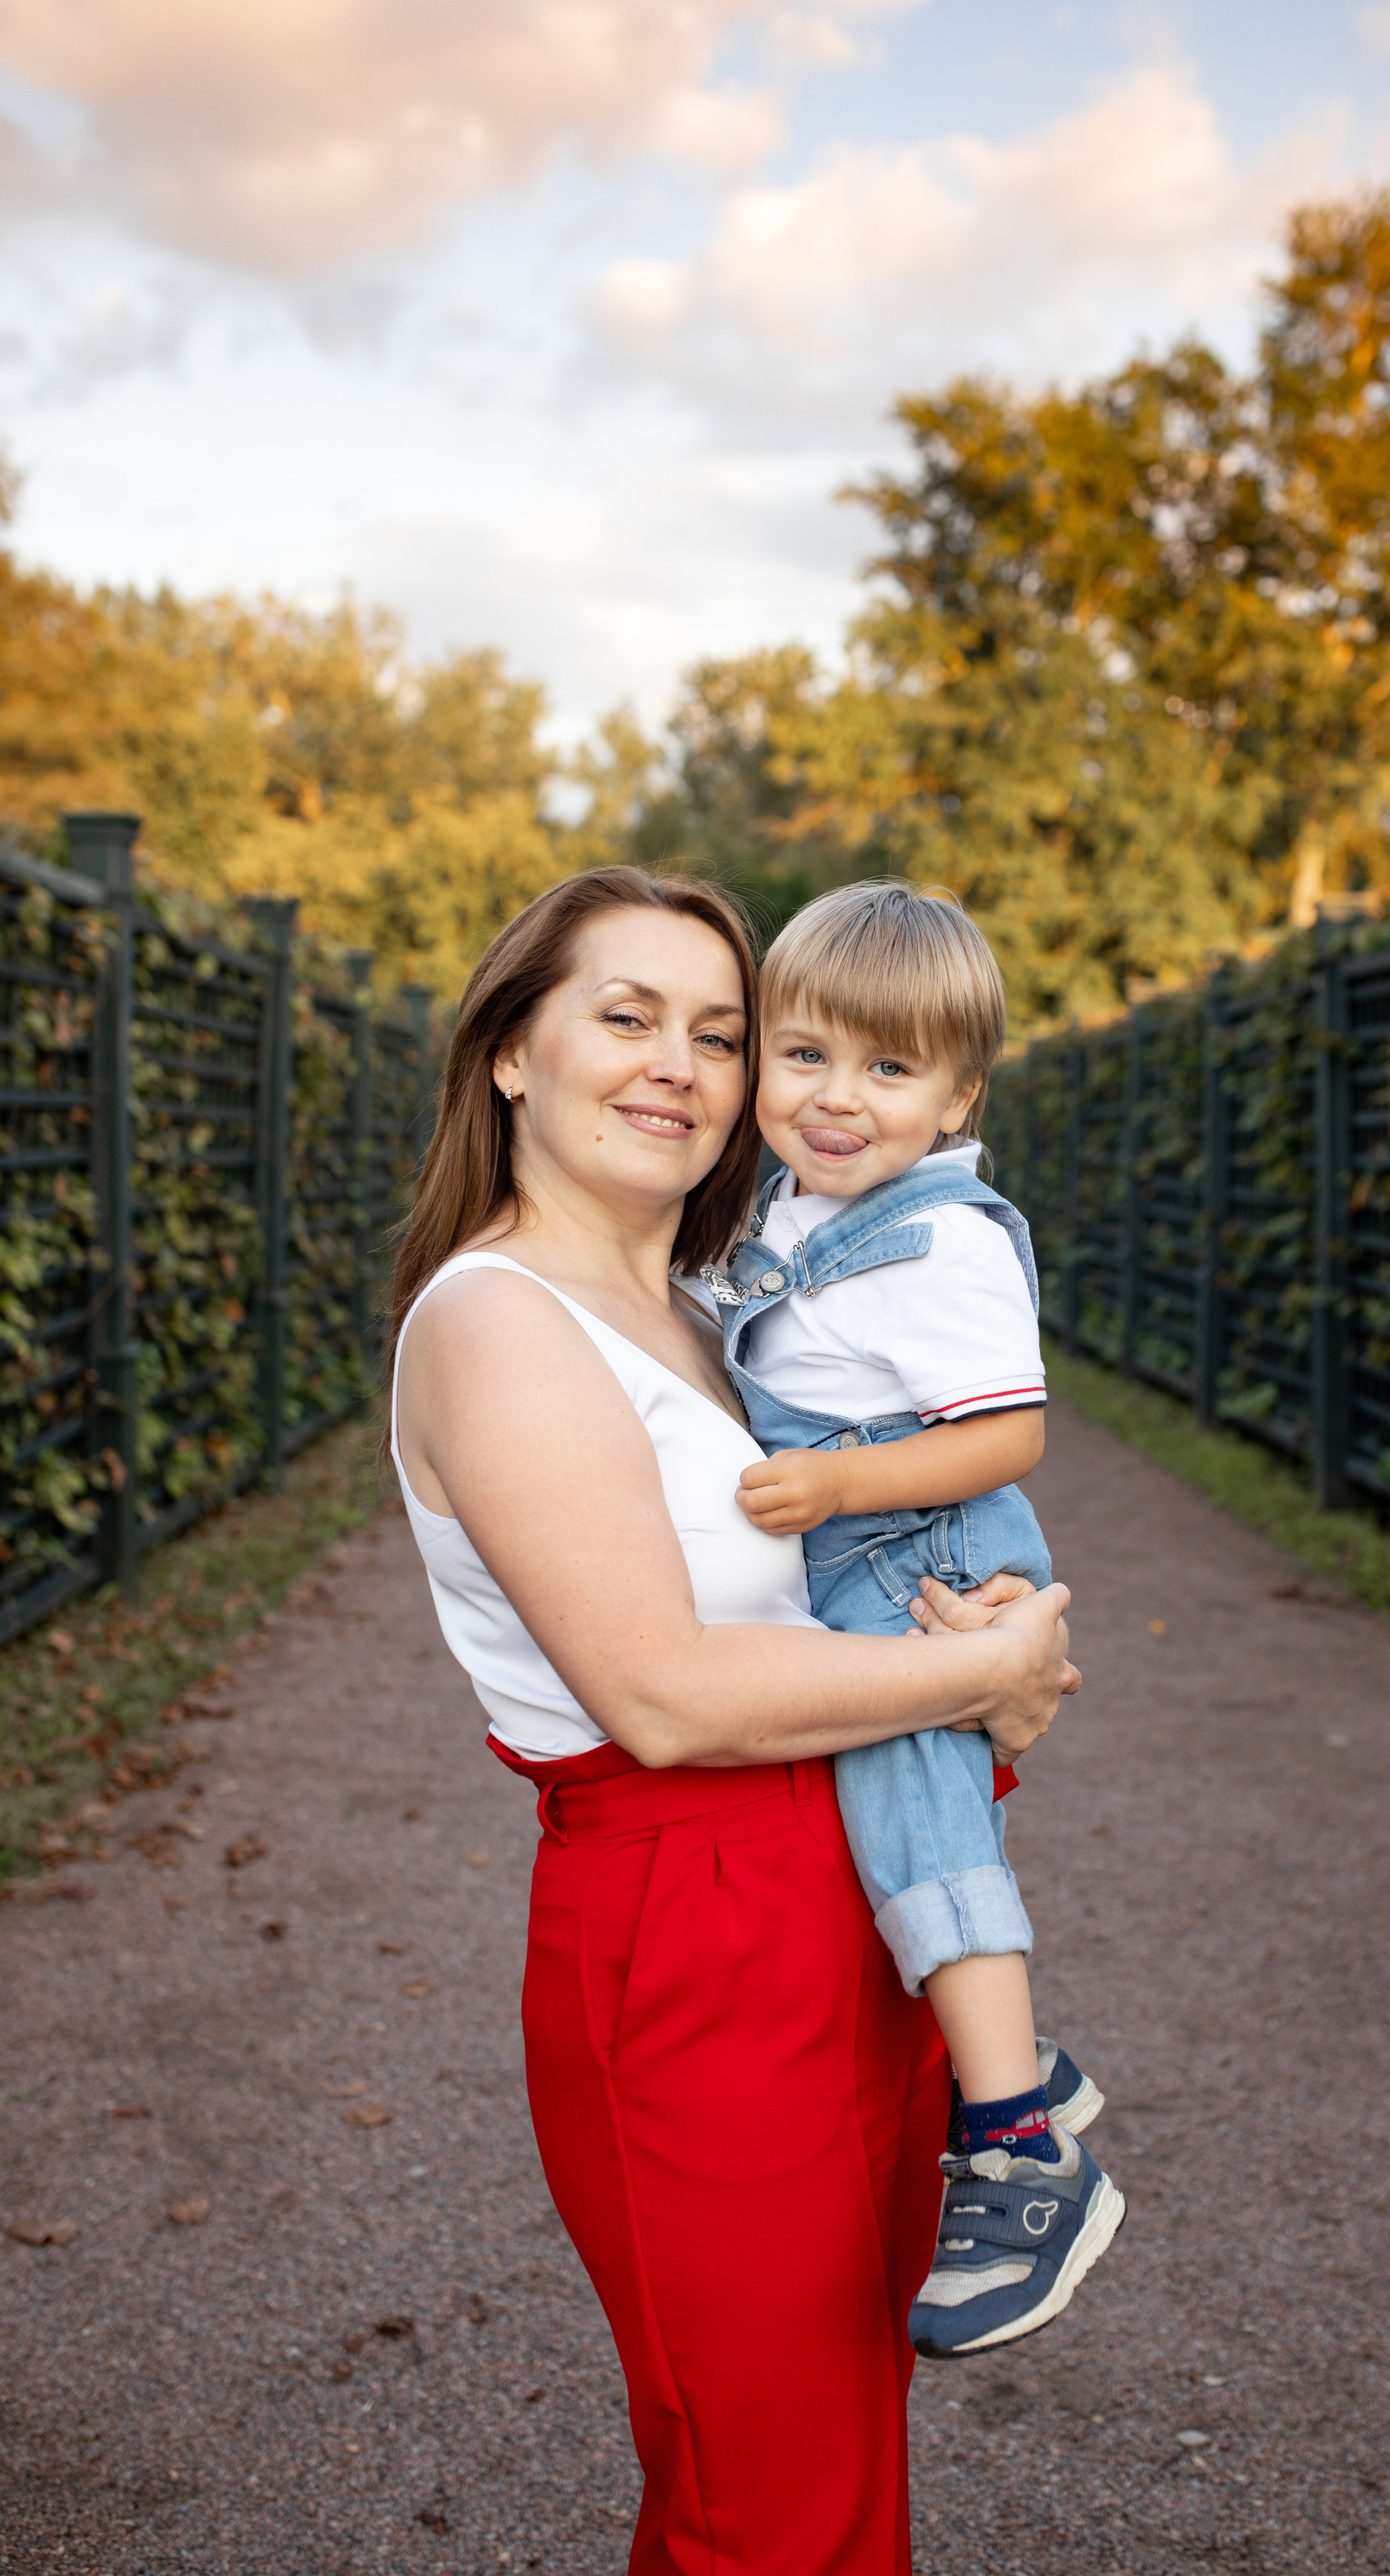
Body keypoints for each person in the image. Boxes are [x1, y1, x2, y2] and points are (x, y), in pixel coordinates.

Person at [386, 866, 1078, 2576]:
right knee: (759, 2498)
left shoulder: (711, 1311)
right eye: (624, 1017)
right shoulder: (495, 1320)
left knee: (833, 2455)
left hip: (835, 1900)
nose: (678, 1065)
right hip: (690, 1925)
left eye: (715, 1029)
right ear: (509, 1055)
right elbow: (663, 1694)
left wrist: (976, 1630)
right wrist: (978, 1674)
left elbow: (822, 1588)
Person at [703, 881, 1124, 2359]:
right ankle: (1009, 2060)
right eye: (804, 1053)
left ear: (957, 1095)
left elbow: (1004, 1435)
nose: (836, 1098)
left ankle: (1019, 2145)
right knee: (859, 1834)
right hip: (849, 1547)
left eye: (888, 1070)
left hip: (905, 1560)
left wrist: (837, 1484)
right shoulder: (784, 1206)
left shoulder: (940, 1243)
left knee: (918, 1819)